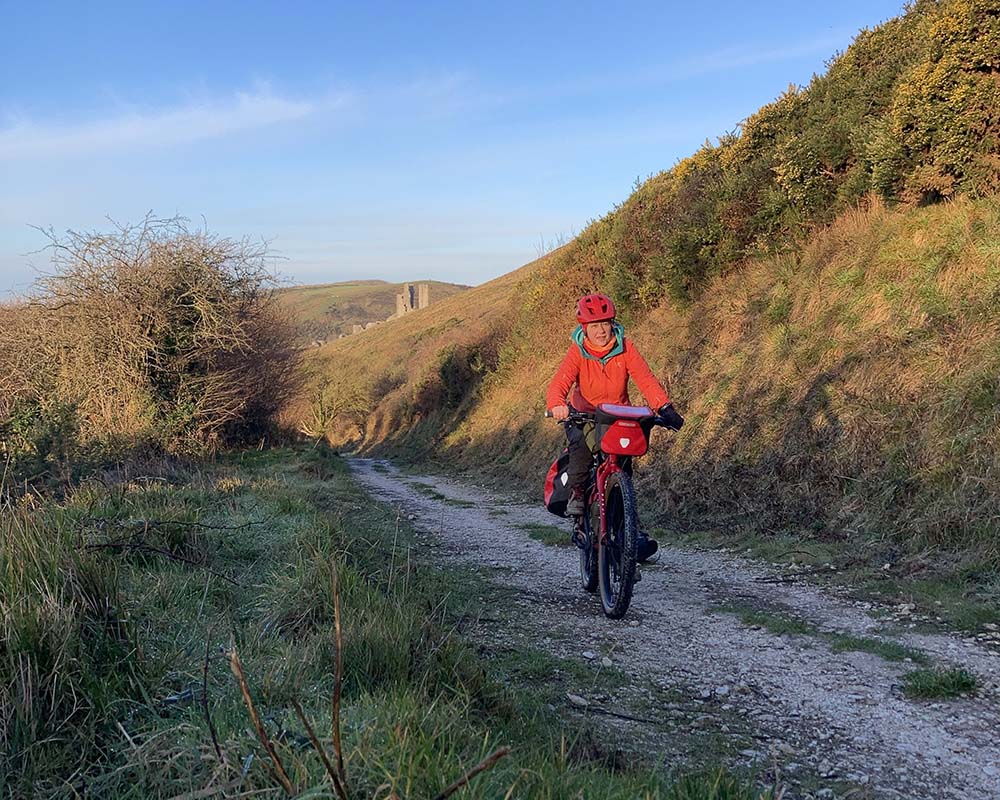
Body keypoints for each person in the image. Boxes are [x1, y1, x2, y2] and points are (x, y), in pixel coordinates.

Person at [546, 292, 684, 561]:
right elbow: (559, 383)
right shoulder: (578, 351)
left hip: (618, 415)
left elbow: (645, 379)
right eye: (594, 325)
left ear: (613, 323)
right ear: (584, 328)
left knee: (623, 470)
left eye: (605, 323)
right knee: (581, 451)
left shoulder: (625, 347)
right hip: (584, 415)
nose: (601, 330)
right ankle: (577, 499)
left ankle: (627, 531)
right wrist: (557, 404)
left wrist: (664, 408)